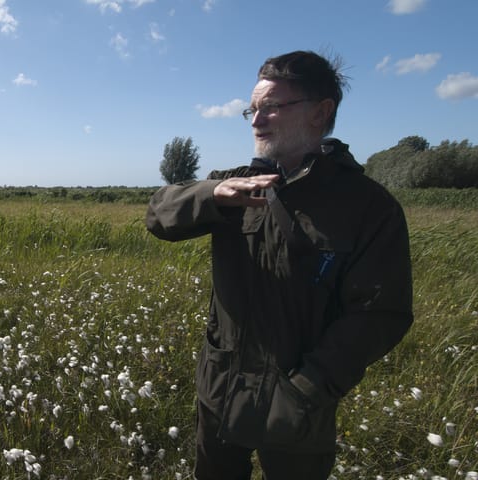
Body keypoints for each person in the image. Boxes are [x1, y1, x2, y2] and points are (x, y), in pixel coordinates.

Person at [146, 50, 413, 480]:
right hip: (221, 390)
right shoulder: (234, 182)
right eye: (251, 109)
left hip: (299, 407)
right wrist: (212, 195)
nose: (256, 120)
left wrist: (307, 389)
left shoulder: (367, 206)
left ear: (320, 112)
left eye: (271, 107)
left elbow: (380, 314)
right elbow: (158, 214)